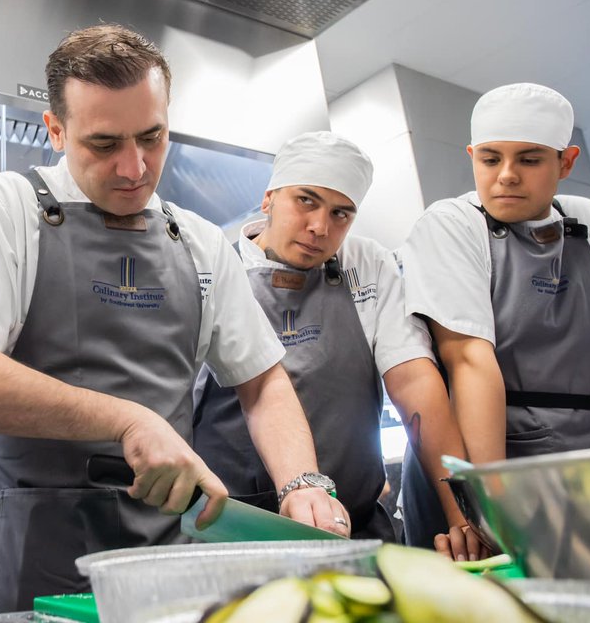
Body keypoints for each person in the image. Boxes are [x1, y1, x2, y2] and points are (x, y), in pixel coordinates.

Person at [0, 24, 351, 612]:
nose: (135, 168)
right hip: (39, 550)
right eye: (105, 144)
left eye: (152, 137)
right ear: (56, 130)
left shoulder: (197, 242)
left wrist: (303, 482)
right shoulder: (7, 209)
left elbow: (263, 380)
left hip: (168, 553)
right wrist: (128, 421)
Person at [396, 82, 590, 550]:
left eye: (530, 159)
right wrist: (488, 509)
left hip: (585, 459)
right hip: (479, 465)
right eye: (491, 159)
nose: (507, 176)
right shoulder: (453, 225)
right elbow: (471, 363)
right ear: (472, 156)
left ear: (567, 161)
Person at [191, 132, 481, 559]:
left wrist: (463, 513)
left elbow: (414, 382)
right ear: (268, 197)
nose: (320, 228)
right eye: (305, 201)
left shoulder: (366, 265)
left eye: (341, 213)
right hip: (233, 537)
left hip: (356, 530)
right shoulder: (214, 267)